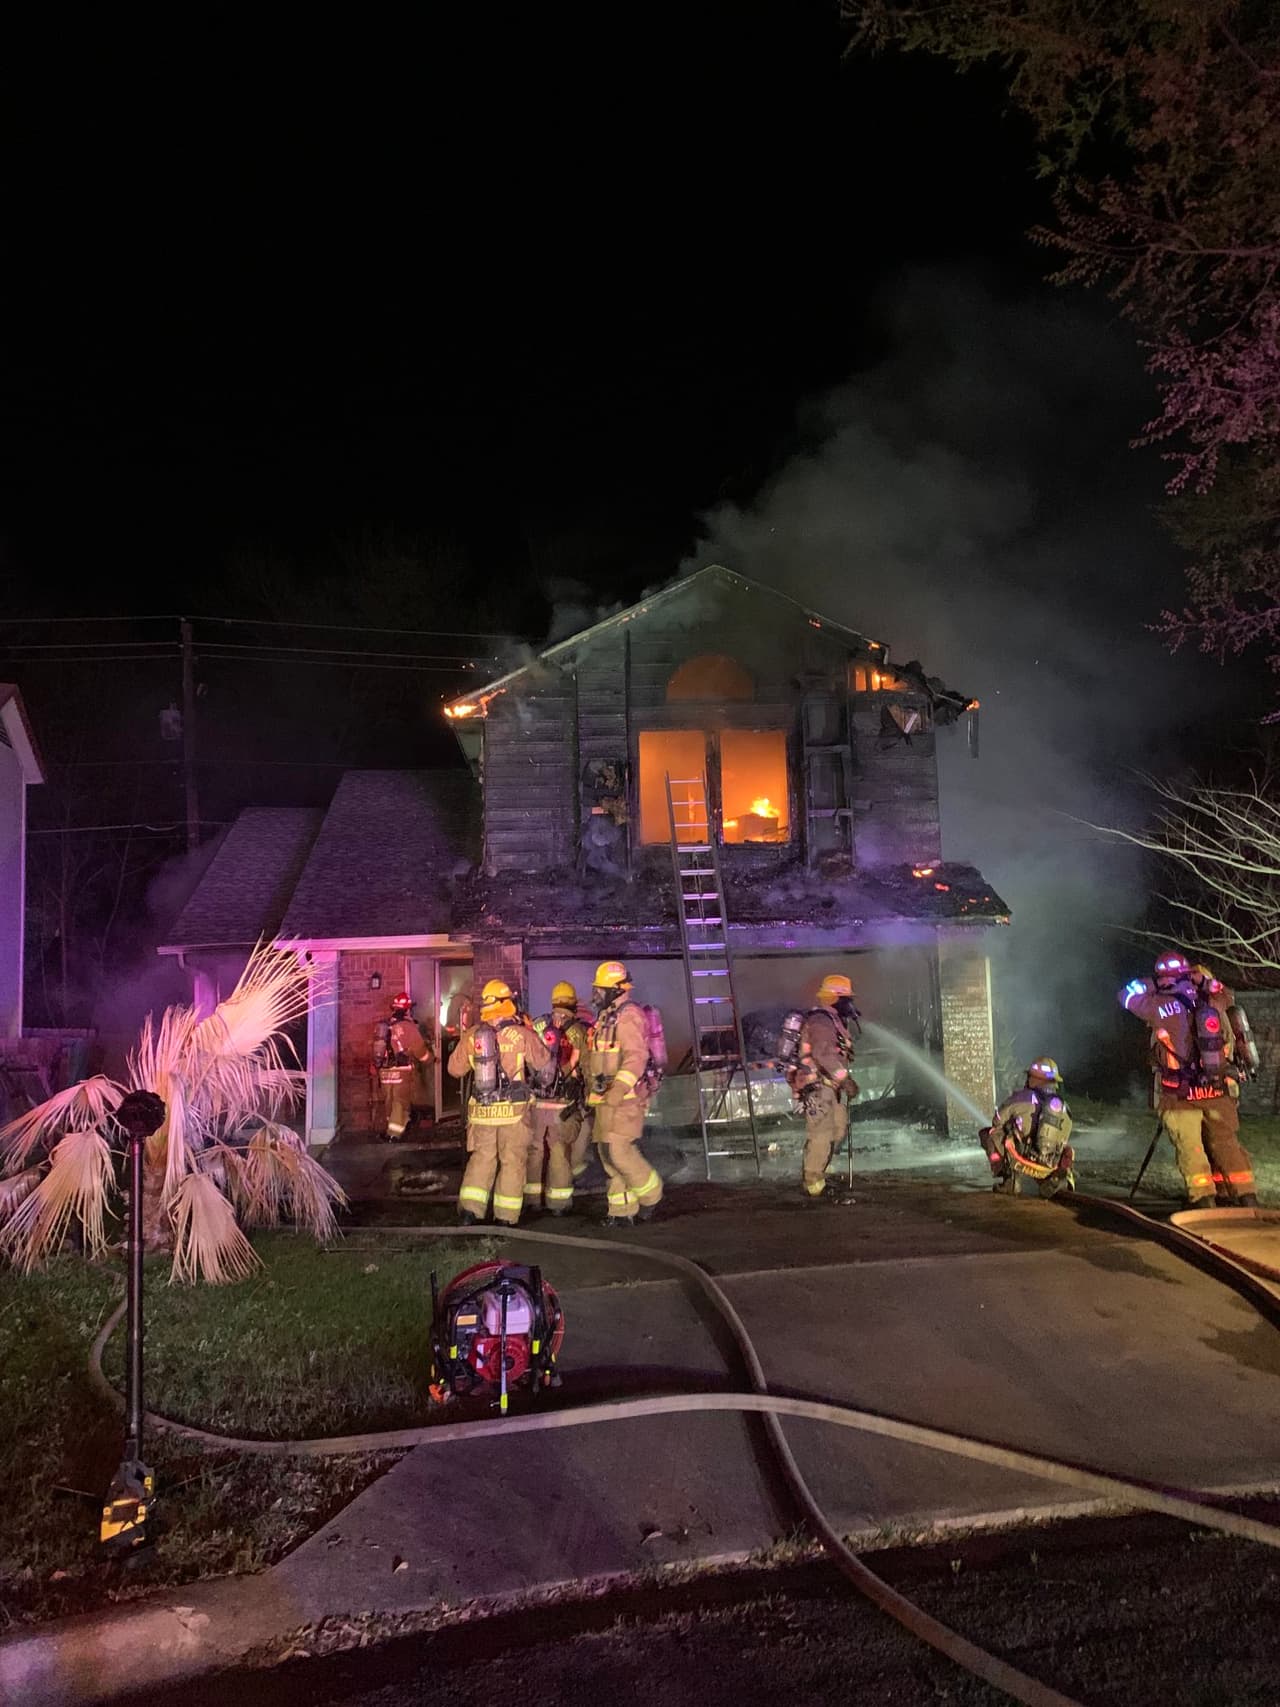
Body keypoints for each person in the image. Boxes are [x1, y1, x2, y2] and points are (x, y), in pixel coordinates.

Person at [1118, 952, 1258, 1208]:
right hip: (1217, 1090)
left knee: (1190, 1146)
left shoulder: (1158, 1004)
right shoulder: (1212, 998)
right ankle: (1246, 1196)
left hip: (1180, 1094)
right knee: (1226, 1142)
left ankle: (1203, 1199)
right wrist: (1201, 981)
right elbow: (1228, 996)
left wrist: (1155, 983)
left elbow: (1126, 996)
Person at [447, 979, 549, 1226]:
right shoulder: (522, 1034)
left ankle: (470, 1212)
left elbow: (454, 1069)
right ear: (507, 1004)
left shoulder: (473, 1035)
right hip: (513, 1113)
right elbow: (543, 1063)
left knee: (482, 1158)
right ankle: (505, 1217)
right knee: (512, 1160)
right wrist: (530, 1032)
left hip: (482, 1113)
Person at [586, 960, 664, 1227]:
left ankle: (652, 1195)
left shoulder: (629, 1015)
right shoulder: (607, 1016)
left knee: (619, 1152)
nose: (596, 994)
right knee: (608, 1156)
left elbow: (636, 1057)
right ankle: (621, 1211)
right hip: (605, 1098)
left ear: (617, 989)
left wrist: (619, 1088)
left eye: (601, 988)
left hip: (626, 1098)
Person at [788, 973, 860, 1200]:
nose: (849, 1003)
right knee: (821, 1135)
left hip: (831, 1089)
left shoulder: (833, 1020)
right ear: (834, 998)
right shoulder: (820, 1021)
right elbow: (823, 1054)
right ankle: (813, 1185)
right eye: (846, 998)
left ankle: (818, 1172)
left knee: (838, 1129)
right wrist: (845, 1079)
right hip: (818, 1090)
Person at [526, 980, 589, 1217]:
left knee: (535, 1150)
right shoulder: (578, 1031)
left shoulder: (538, 1025)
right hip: (562, 1104)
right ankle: (559, 1204)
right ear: (573, 1003)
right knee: (559, 1150)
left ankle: (531, 1199)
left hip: (537, 1100)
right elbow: (587, 1067)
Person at [981, 1058, 1075, 1196]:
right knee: (1067, 1150)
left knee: (989, 1134)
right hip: (1049, 1163)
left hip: (1021, 1156)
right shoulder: (1064, 1108)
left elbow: (997, 1120)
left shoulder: (1022, 1097)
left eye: (1030, 1076)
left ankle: (1009, 1180)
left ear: (1035, 1079)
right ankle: (1053, 1181)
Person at [372, 992, 433, 1140]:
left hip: (385, 1073)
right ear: (407, 1009)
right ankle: (394, 1135)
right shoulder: (408, 1027)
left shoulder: (385, 1026)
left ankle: (389, 1131)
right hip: (402, 1072)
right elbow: (420, 1050)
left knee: (389, 1101)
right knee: (400, 1102)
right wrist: (430, 1059)